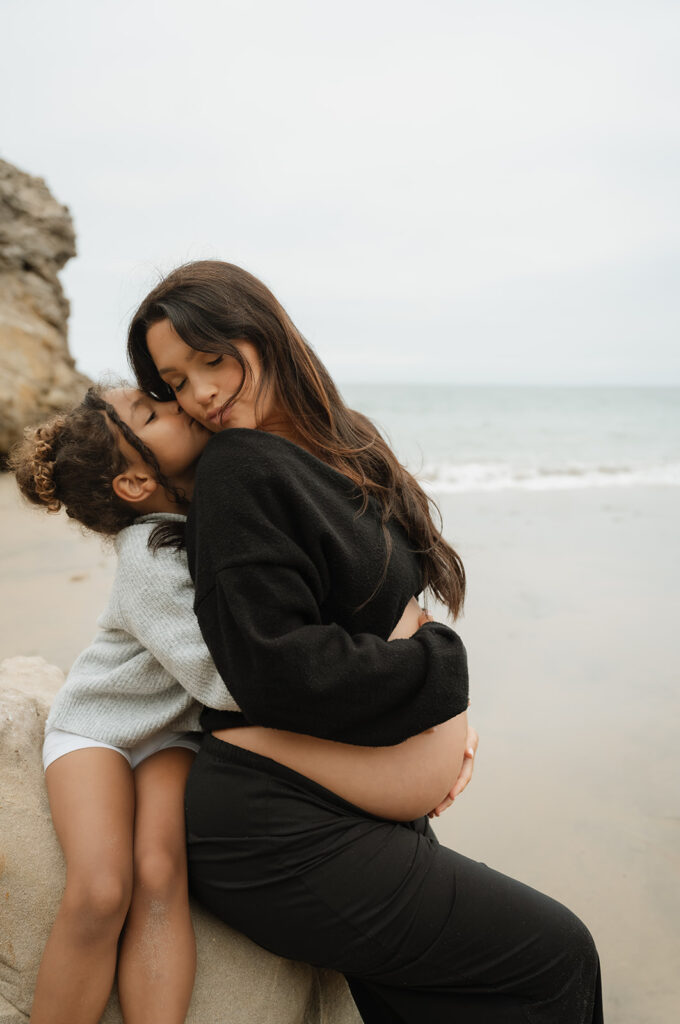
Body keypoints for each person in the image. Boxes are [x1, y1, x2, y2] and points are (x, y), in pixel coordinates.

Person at [128, 259, 604, 1024]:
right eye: (175, 382)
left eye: (210, 360)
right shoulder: (237, 469)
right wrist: (440, 674)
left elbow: (381, 611)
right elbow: (273, 666)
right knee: (553, 953)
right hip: (275, 830)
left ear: (264, 332)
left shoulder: (346, 448)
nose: (202, 393)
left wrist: (436, 736)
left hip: (348, 803)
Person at [10, 383, 475, 1024]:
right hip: (100, 732)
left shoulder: (214, 515)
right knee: (101, 889)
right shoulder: (147, 554)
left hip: (174, 737)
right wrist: (366, 705)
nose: (176, 403)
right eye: (151, 412)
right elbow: (226, 679)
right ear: (134, 484)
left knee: (159, 877)